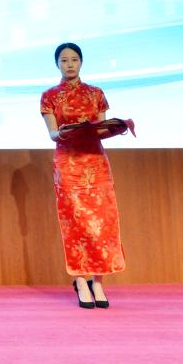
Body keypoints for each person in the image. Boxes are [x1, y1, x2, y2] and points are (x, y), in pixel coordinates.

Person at [40, 42, 128, 309]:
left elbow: (100, 129)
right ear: (57, 64)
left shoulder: (95, 93)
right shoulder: (49, 96)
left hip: (95, 163)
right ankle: (80, 280)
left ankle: (98, 282)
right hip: (68, 164)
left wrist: (115, 128)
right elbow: (52, 134)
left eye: (74, 59)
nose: (69, 64)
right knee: (75, 224)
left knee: (102, 224)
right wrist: (65, 132)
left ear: (81, 62)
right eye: (64, 60)